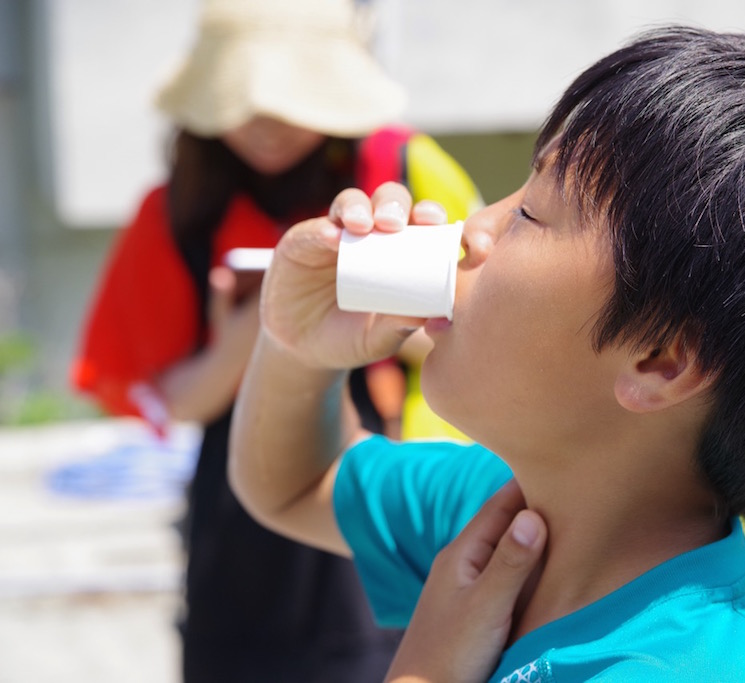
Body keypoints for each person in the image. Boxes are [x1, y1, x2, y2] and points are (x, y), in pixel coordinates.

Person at [228, 26, 745, 681]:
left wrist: (426, 666)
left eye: (529, 212)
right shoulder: (502, 510)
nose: (469, 229)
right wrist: (296, 347)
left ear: (658, 361)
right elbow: (298, 482)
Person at [70, 0, 480, 680]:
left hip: (380, 477)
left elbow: (478, 334)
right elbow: (173, 399)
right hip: (237, 516)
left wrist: (374, 314)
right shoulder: (177, 210)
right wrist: (262, 330)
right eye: (242, 103)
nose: (264, 126)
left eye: (289, 102)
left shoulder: (401, 171)